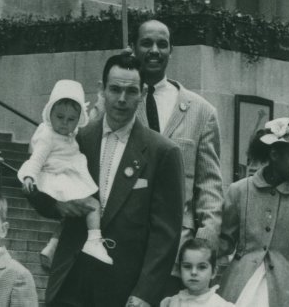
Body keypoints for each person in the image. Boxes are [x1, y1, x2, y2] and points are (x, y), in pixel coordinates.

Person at [28, 52, 184, 307]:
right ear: (102, 90)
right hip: (71, 278)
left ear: (143, 93)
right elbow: (37, 185)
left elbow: (166, 235)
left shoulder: (163, 152)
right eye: (114, 89)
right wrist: (57, 205)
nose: (122, 99)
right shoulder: (75, 137)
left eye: (131, 91)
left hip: (122, 287)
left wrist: (145, 293)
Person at [217, 117, 289, 307]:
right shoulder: (239, 191)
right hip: (239, 290)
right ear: (274, 154)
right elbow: (223, 243)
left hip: (288, 293)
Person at [132, 20, 224, 246]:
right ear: (133, 47)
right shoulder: (120, 104)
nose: (154, 51)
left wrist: (204, 240)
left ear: (171, 51)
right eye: (146, 43)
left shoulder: (202, 112)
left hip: (177, 244)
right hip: (127, 239)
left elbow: (209, 186)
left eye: (162, 44)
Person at [19, 79, 113, 264]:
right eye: (59, 117)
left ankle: (56, 244)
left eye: (71, 120)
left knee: (91, 206)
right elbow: (36, 158)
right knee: (93, 205)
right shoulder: (47, 135)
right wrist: (29, 176)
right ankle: (94, 240)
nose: (64, 124)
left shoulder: (70, 135)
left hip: (67, 179)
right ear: (50, 113)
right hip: (57, 182)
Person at [161, 239, 235, 307]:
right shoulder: (172, 303)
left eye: (202, 267)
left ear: (213, 272)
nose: (193, 272)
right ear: (180, 270)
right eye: (187, 266)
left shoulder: (220, 305)